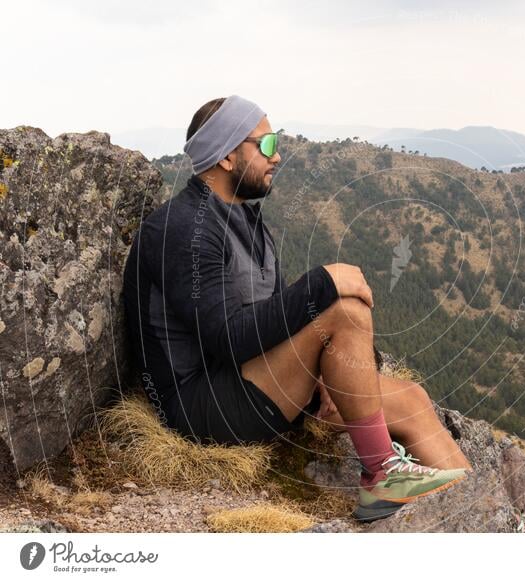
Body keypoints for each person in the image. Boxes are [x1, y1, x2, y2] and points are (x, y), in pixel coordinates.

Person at [122, 95, 471, 522]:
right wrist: (320, 284)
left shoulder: (249, 223)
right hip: (203, 405)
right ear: (228, 156)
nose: (278, 155)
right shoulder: (181, 229)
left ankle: (484, 516)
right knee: (344, 311)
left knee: (412, 400)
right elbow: (226, 339)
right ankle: (381, 474)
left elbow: (276, 318)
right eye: (266, 145)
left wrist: (332, 369)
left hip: (252, 383)